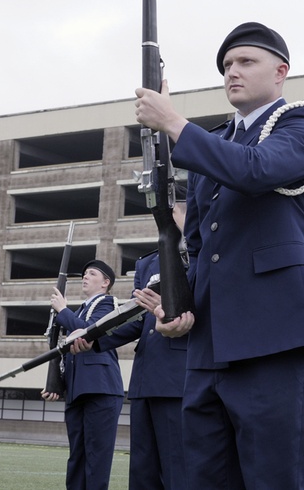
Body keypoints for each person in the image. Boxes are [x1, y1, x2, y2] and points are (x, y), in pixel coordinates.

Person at [134, 21, 304, 489]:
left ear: (281, 71)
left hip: (275, 335)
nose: (232, 73)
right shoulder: (217, 140)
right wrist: (179, 306)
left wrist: (174, 124)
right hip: (211, 344)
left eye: (246, 62)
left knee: (270, 478)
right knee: (205, 477)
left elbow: (257, 169)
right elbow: (201, 246)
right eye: (227, 65)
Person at [74, 182, 189, 490]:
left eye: (173, 207)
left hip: (179, 378)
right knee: (142, 471)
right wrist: (94, 338)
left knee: (178, 469)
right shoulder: (148, 262)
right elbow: (135, 320)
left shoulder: (200, 255)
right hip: (145, 379)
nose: (164, 214)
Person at [43, 259, 124, 490]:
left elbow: (89, 332)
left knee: (97, 458)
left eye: (92, 273)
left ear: (105, 283)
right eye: (84, 273)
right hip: (77, 390)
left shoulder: (108, 303)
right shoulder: (78, 311)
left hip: (101, 388)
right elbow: (63, 351)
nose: (85, 277)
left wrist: (63, 310)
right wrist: (56, 385)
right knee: (77, 456)